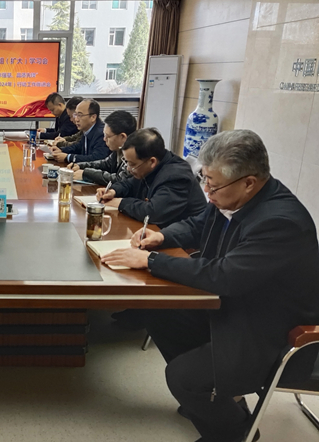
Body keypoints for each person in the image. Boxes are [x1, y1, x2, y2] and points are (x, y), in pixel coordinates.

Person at [100, 129, 319, 442]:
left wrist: (150, 261)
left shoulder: (280, 222)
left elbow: (224, 275)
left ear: (248, 182)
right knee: (158, 310)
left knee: (182, 378)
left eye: (213, 185)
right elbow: (198, 224)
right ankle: (218, 398)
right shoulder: (236, 198)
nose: (206, 190)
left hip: (272, 332)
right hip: (234, 308)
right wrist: (161, 237)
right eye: (204, 179)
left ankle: (234, 433)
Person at [98, 128, 206, 228]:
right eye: (126, 162)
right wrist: (113, 191)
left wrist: (121, 203)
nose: (128, 168)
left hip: (185, 238)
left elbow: (153, 213)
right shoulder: (152, 165)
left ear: (152, 162)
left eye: (132, 164)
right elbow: (131, 183)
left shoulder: (176, 176)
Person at [68, 110, 136, 185]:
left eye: (107, 136)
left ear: (122, 137)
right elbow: (105, 164)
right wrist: (80, 165)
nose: (104, 139)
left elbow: (119, 180)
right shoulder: (119, 149)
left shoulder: (134, 155)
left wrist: (86, 173)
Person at [50, 99, 110, 163]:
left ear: (93, 117)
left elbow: (96, 158)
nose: (76, 119)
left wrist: (68, 157)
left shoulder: (102, 133)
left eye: (80, 115)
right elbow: (79, 147)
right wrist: (61, 150)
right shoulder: (87, 129)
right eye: (75, 115)